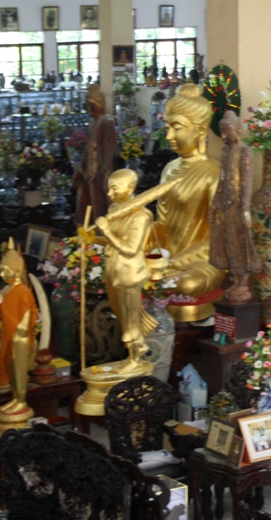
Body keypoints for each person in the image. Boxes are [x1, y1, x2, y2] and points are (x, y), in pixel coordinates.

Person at [149, 84, 226, 322]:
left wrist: (172, 263)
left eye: (177, 127)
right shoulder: (169, 169)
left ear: (200, 131)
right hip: (167, 258)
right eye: (167, 127)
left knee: (188, 282)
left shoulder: (213, 174)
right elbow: (161, 226)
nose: (169, 136)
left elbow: (217, 239)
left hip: (200, 263)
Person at [95, 169, 159, 374]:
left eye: (114, 188)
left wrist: (106, 231)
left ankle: (136, 356)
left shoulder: (141, 216)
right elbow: (112, 241)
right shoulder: (115, 209)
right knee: (120, 314)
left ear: (130, 188)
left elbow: (131, 249)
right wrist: (93, 239)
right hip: (114, 270)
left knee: (131, 318)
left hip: (129, 274)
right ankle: (132, 354)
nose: (109, 194)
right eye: (109, 189)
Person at [209, 111, 261, 304]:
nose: (224, 136)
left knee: (242, 243)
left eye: (227, 131)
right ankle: (236, 280)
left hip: (239, 206)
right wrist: (215, 203)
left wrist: (246, 210)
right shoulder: (225, 152)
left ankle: (243, 283)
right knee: (230, 243)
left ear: (237, 130)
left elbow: (247, 182)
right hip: (226, 207)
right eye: (222, 132)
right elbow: (221, 180)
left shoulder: (244, 151)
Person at [0, 238, 38, 413]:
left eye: (5, 271)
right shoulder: (7, 290)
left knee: (19, 371)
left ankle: (21, 401)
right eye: (1, 271)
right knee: (11, 368)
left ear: (16, 271)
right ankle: (15, 397)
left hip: (19, 337)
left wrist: (14, 328)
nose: (2, 275)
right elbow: (4, 314)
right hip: (9, 335)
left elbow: (25, 321)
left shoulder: (23, 291)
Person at [73, 85, 115, 224]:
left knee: (100, 209)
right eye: (87, 105)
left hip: (100, 175)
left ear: (99, 104)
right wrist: (80, 171)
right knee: (84, 209)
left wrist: (106, 177)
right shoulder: (92, 123)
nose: (88, 109)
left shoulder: (107, 122)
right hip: (88, 174)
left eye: (91, 105)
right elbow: (88, 150)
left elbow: (108, 152)